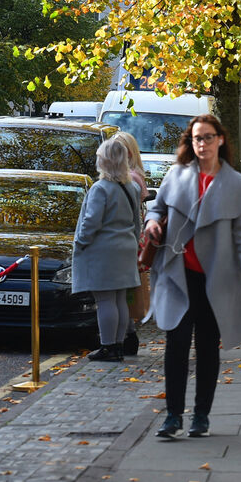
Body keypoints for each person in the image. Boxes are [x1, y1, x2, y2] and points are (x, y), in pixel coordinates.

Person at [143, 115, 241, 440]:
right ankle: (172, 417)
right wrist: (152, 224)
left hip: (215, 278)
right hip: (177, 275)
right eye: (197, 138)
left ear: (220, 140)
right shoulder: (177, 175)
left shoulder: (235, 184)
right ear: (190, 142)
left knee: (208, 347)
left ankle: (201, 416)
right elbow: (156, 208)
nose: (203, 144)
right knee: (176, 345)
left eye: (208, 137)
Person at [72, 138, 142, 362]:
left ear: (104, 161)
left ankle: (108, 346)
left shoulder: (100, 189)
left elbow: (91, 222)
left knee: (104, 300)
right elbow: (136, 220)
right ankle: (119, 345)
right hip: (126, 248)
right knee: (120, 298)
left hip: (104, 251)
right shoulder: (131, 187)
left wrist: (81, 241)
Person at [113, 130, 148, 355]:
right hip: (131, 239)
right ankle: (127, 335)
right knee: (125, 293)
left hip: (126, 240)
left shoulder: (130, 178)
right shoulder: (134, 175)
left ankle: (126, 337)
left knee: (122, 293)